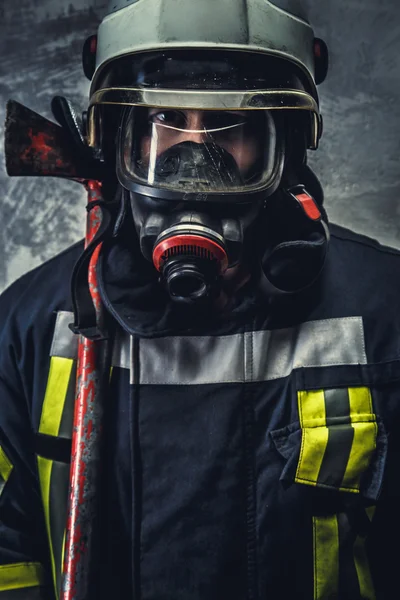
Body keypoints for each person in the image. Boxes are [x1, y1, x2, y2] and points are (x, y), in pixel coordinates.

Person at [0, 0, 399, 598]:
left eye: (230, 128)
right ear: (114, 145)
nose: (192, 161)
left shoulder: (383, 310)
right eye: (163, 122)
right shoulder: (34, 328)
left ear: (287, 147)